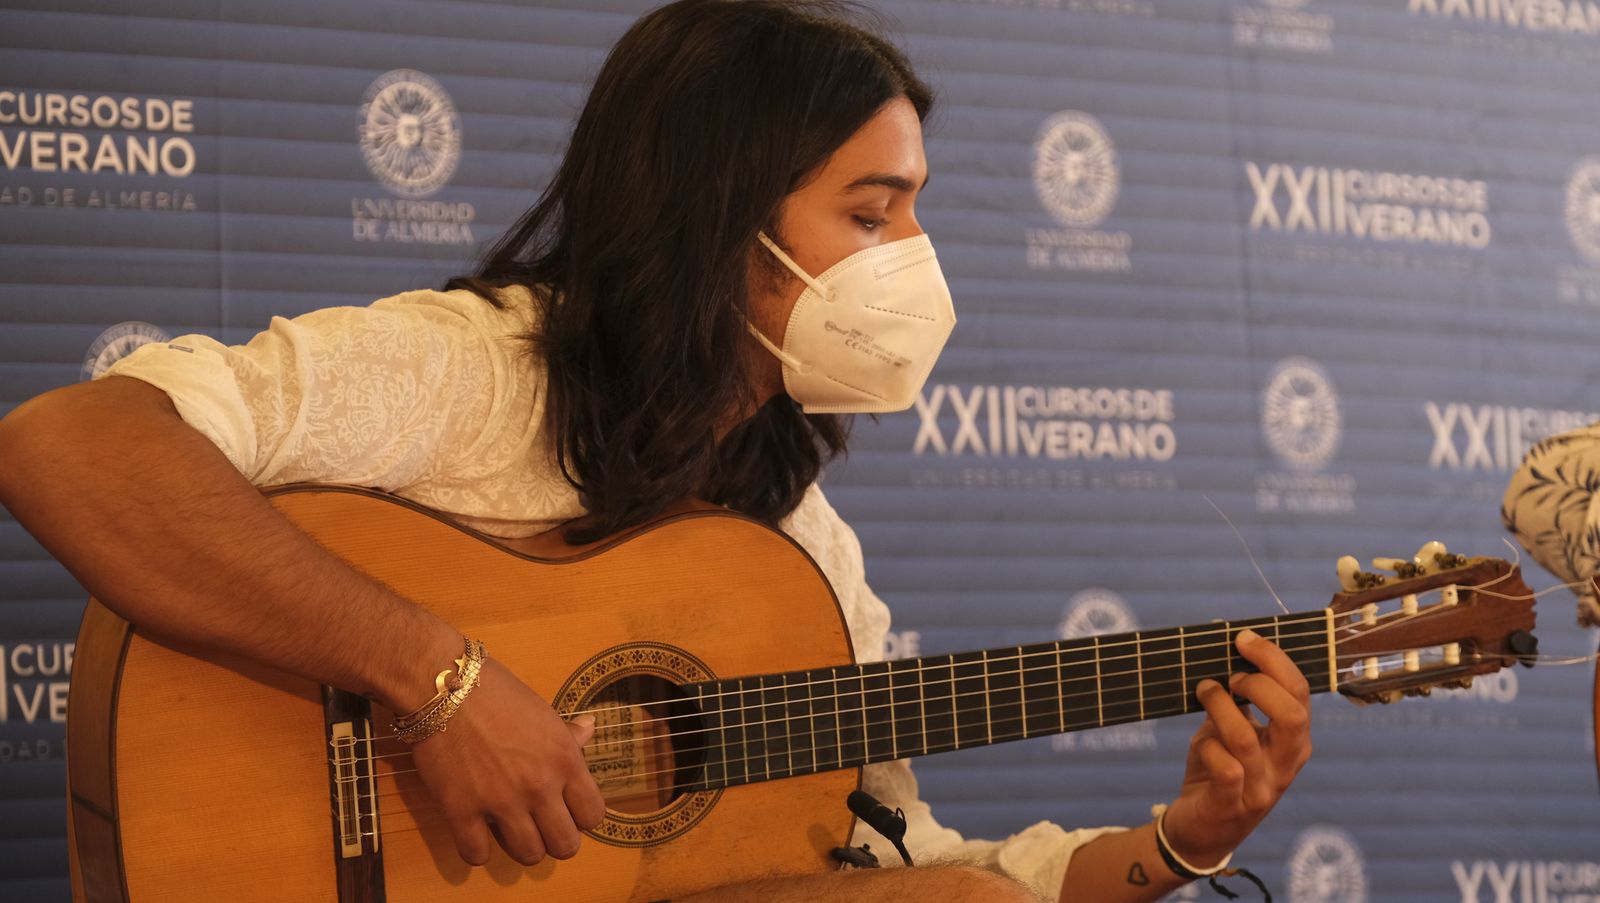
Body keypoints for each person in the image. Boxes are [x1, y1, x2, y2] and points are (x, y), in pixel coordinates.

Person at [0, 2, 1312, 900]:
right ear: (721, 218)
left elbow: (890, 865)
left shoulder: (797, 548)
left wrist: (1175, 845)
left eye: (916, 211)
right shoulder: (466, 370)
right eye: (874, 212)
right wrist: (440, 681)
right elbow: (69, 446)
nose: (912, 258)